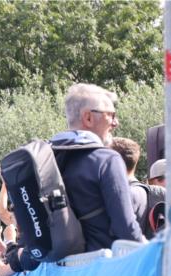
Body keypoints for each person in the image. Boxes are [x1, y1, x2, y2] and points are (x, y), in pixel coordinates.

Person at [47, 83, 142, 251]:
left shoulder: (49, 159)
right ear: (88, 118)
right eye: (111, 115)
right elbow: (126, 229)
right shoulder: (106, 160)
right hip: (100, 268)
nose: (116, 122)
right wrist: (151, 251)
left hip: (58, 270)